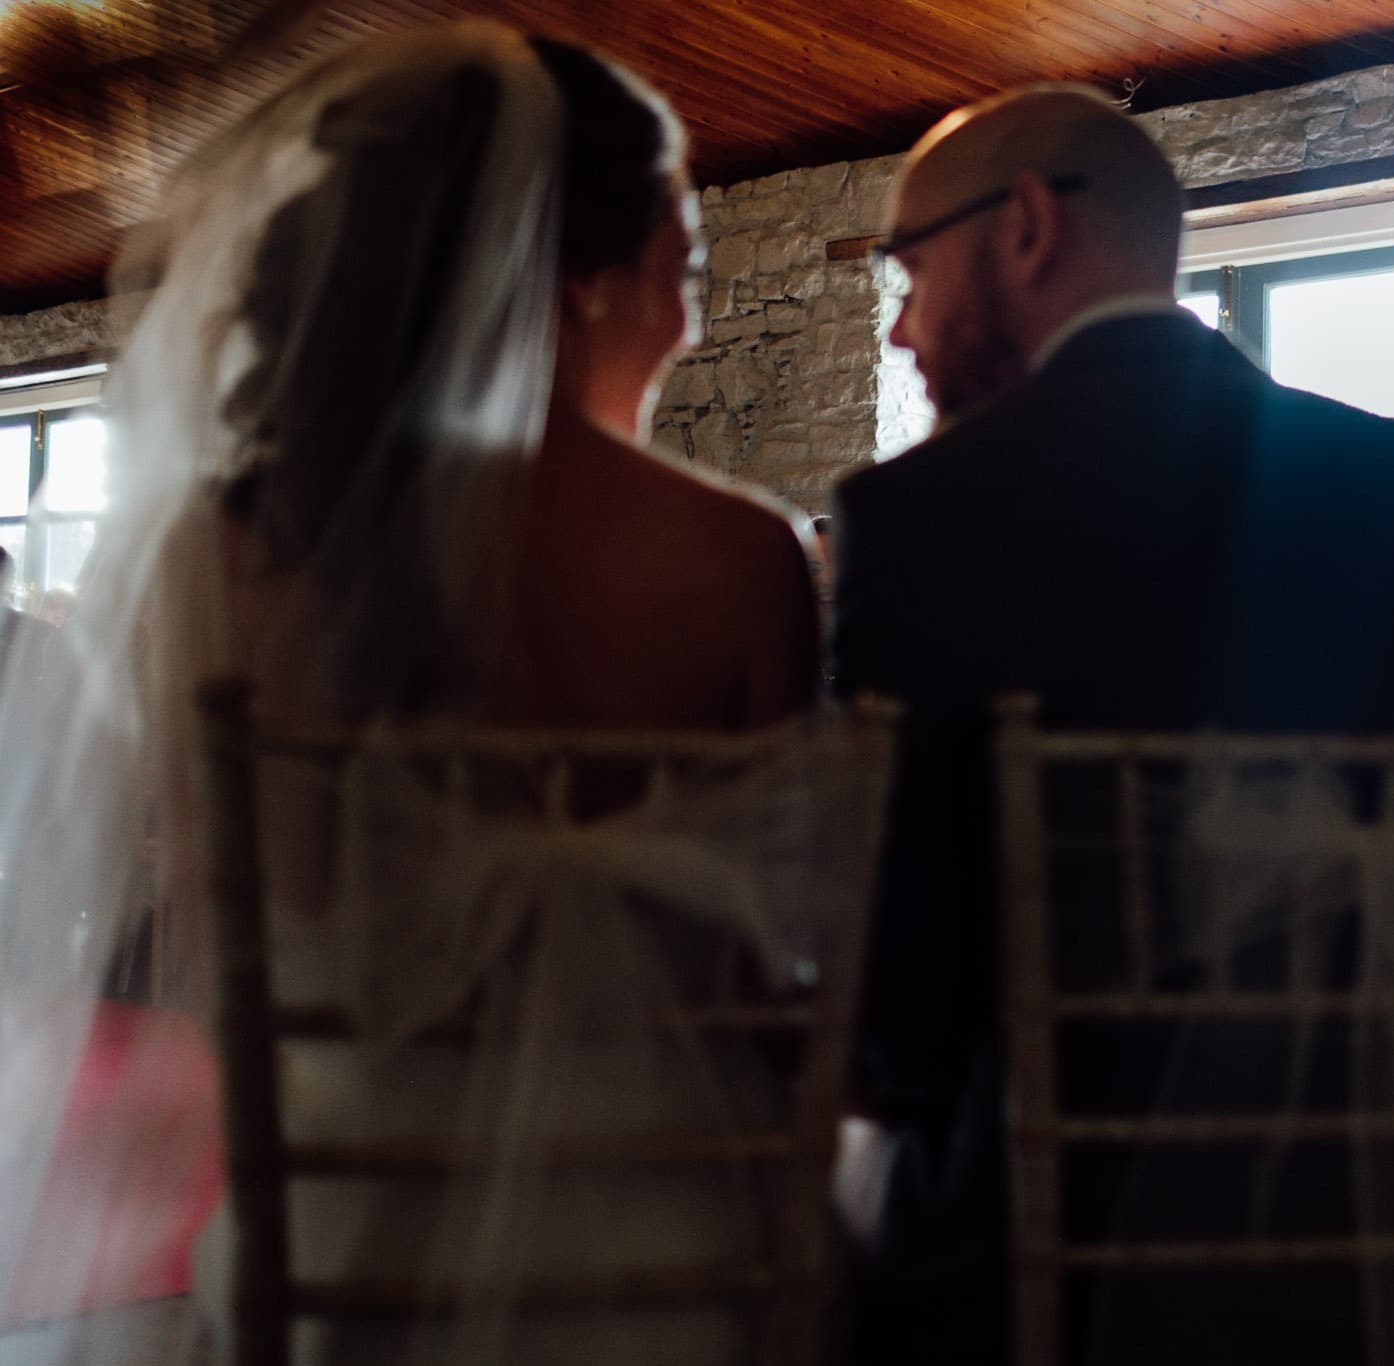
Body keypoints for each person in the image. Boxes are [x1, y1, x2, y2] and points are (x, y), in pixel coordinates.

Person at [0, 24, 816, 1363]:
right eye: (692, 255)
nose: (698, 305)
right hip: (656, 1237)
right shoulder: (734, 558)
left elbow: (220, 940)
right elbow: (761, 974)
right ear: (579, 278)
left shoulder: (218, 551)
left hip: (339, 1223)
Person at [831, 84, 1394, 1363]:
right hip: (1374, 1237)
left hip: (1031, 1249)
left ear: (1025, 226)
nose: (903, 328)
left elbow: (901, 1008)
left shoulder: (918, 518)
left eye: (910, 268)